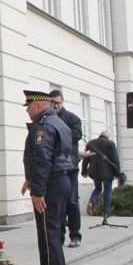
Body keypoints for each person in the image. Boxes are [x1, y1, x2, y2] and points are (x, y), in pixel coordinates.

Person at [21, 90, 73, 265]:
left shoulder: (43, 127)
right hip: (61, 181)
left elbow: (43, 159)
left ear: (38, 106)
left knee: (47, 232)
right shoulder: (59, 123)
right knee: (52, 230)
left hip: (50, 184)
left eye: (28, 107)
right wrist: (30, 180)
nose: (27, 111)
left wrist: (38, 191)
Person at [50, 90, 82, 248]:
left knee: (72, 201)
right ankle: (60, 235)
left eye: (58, 103)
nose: (55, 106)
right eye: (53, 103)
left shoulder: (71, 118)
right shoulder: (48, 119)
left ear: (62, 102)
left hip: (70, 166)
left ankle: (75, 235)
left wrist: (60, 128)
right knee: (58, 203)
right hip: (55, 168)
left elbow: (76, 135)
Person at [81, 129, 120, 219]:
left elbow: (85, 157)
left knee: (98, 188)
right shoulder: (110, 144)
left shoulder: (91, 143)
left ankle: (91, 202)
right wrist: (117, 174)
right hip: (107, 172)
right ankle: (106, 212)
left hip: (94, 171)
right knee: (108, 190)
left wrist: (84, 171)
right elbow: (115, 159)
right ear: (108, 136)